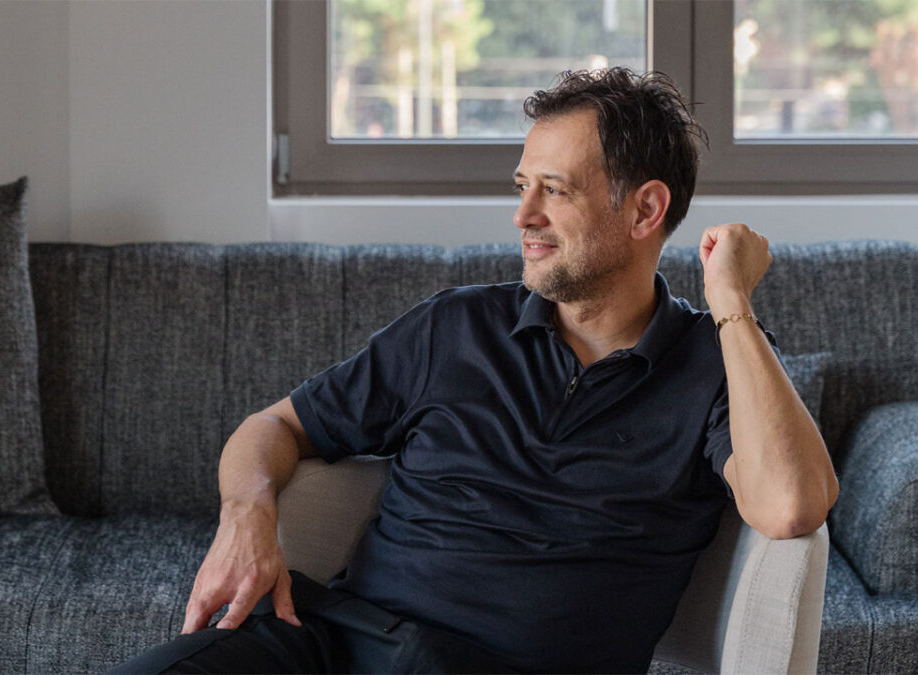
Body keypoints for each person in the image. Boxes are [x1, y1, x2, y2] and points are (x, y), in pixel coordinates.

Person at [110, 67, 839, 674]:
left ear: (646, 208)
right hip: (328, 643)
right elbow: (275, 427)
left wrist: (731, 302)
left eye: (554, 189)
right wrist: (246, 516)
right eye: (522, 186)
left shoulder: (715, 363)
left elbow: (791, 506)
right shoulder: (454, 327)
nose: (523, 216)